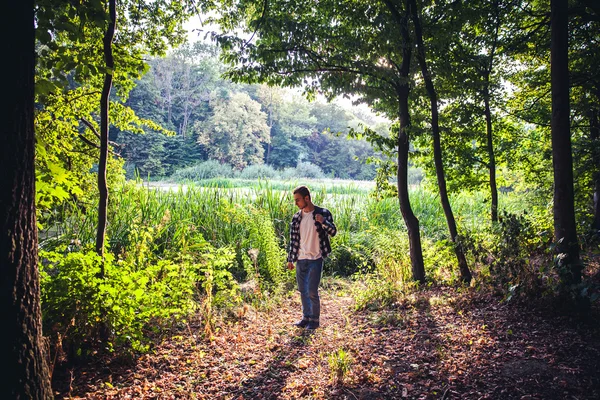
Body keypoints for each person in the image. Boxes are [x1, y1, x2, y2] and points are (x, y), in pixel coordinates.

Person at [286, 185, 337, 330]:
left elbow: (333, 231)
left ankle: (314, 321)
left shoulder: (323, 213)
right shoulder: (297, 217)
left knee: (312, 291)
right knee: (303, 290)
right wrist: (291, 259)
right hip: (301, 259)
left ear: (307, 198)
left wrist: (323, 222)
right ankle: (306, 317)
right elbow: (293, 240)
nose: (296, 203)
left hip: (316, 258)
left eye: (298, 200)